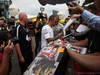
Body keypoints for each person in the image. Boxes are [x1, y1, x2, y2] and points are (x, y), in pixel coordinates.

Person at [65, 0, 100, 72]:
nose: (85, 21)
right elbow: (86, 41)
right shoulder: (92, 29)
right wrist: (69, 45)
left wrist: (68, 50)